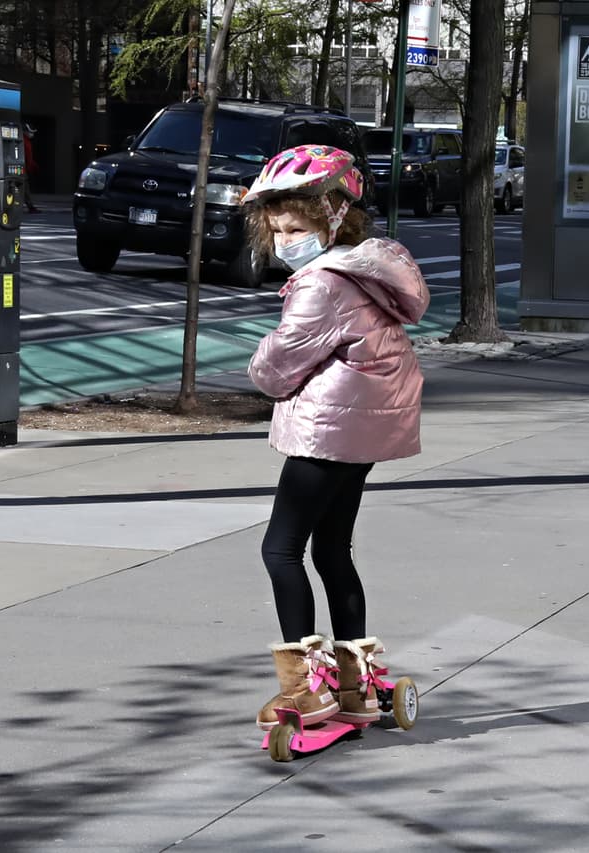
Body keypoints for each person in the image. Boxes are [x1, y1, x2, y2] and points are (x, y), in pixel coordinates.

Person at [242, 145, 430, 731]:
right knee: (331, 551)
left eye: (294, 226)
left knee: (280, 549)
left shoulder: (323, 283)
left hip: (329, 429)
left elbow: (277, 365)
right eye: (275, 229)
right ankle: (361, 682)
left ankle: (311, 687)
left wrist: (258, 369)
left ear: (332, 212)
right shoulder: (366, 269)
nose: (283, 238)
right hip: (365, 429)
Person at [23, 124, 40, 214]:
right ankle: (30, 206)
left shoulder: (27, 141)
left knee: (25, 188)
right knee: (25, 188)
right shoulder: (24, 141)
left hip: (25, 168)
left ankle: (30, 206)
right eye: (30, 132)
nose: (32, 134)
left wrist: (33, 165)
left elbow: (29, 157)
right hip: (23, 169)